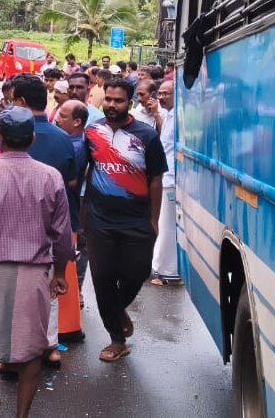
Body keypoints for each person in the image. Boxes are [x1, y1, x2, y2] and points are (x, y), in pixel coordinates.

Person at [0, 106, 75, 418]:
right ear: (33, 138)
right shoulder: (51, 177)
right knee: (32, 351)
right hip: (36, 275)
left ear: (0, 137)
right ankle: (21, 415)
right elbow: (63, 234)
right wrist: (60, 273)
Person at [84, 78, 167, 363]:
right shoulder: (92, 132)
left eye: (118, 100)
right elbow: (88, 171)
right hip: (99, 221)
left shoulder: (146, 136)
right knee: (103, 278)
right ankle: (117, 339)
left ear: (129, 102)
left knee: (137, 272)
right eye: (108, 99)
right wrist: (83, 217)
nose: (111, 105)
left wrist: (154, 220)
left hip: (136, 220)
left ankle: (118, 310)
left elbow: (156, 179)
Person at [9, 74, 79, 365]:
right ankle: (49, 345)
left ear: (22, 102)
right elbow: (73, 183)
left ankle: (15, 350)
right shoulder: (66, 139)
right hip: (53, 225)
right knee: (49, 288)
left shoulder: (10, 134)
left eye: (13, 100)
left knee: (13, 291)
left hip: (15, 226)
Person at [55, 100, 91, 303]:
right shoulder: (71, 142)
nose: (58, 120)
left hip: (70, 211)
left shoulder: (74, 147)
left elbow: (70, 181)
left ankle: (74, 292)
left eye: (63, 116)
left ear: (77, 122)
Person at [151, 81, 181, 286]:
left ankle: (167, 272)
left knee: (168, 226)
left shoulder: (179, 116)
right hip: (165, 176)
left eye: (166, 93)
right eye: (159, 93)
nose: (161, 97)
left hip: (171, 179)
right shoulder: (169, 115)